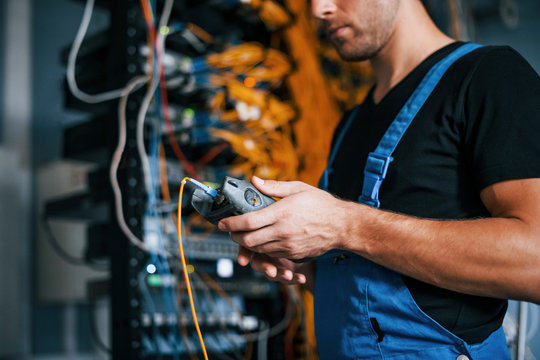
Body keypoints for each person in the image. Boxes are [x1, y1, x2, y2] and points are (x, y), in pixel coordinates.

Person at [218, 0, 540, 358]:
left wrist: (345, 225)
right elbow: (376, 284)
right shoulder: (350, 124)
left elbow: (535, 261)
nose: (318, 10)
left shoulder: (490, 75)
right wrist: (304, 262)